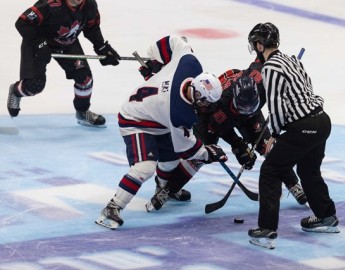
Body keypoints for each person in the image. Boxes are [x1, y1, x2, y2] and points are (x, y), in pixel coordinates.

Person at [95, 35, 228, 229]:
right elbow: (186, 148)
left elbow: (175, 41)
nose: (208, 107)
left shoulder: (190, 64)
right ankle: (112, 208)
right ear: (198, 94)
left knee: (171, 159)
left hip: (156, 116)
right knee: (146, 166)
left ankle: (164, 188)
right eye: (207, 102)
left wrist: (155, 60)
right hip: (135, 120)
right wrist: (208, 153)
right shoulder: (179, 112)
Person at [247, 22, 339, 249]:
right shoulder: (292, 60)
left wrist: (274, 135)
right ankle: (326, 217)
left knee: (271, 170)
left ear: (259, 45)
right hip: (322, 120)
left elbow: (276, 107)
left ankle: (266, 230)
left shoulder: (269, 68)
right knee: (308, 170)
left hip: (304, 127)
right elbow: (306, 88)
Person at [193, 63, 307, 206]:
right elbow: (222, 129)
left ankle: (293, 183)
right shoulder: (219, 107)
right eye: (243, 108)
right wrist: (238, 146)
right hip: (228, 116)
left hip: (252, 115)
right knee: (198, 150)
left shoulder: (261, 81)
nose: (247, 110)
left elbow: (265, 61)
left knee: (269, 148)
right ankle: (169, 185)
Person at [7, 0, 121, 127]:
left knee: (85, 79)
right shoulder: (49, 4)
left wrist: (101, 47)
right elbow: (23, 22)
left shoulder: (90, 5)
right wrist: (39, 43)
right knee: (34, 86)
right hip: (38, 43)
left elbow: (92, 27)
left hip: (67, 42)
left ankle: (82, 112)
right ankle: (16, 91)